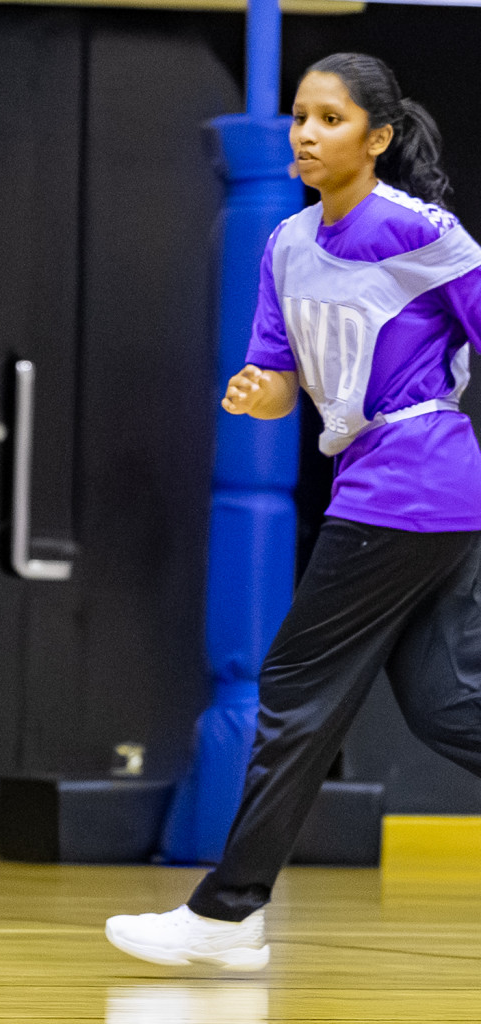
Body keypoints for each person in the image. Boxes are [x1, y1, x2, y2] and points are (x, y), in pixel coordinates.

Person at [106, 53, 481, 971]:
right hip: (393, 489)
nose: (305, 135)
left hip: (411, 486)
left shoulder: (423, 234)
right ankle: (230, 915)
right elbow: (279, 385)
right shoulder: (284, 243)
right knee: (445, 706)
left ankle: (227, 915)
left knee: (293, 694)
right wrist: (256, 391)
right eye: (298, 117)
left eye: (329, 119)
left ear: (378, 138)